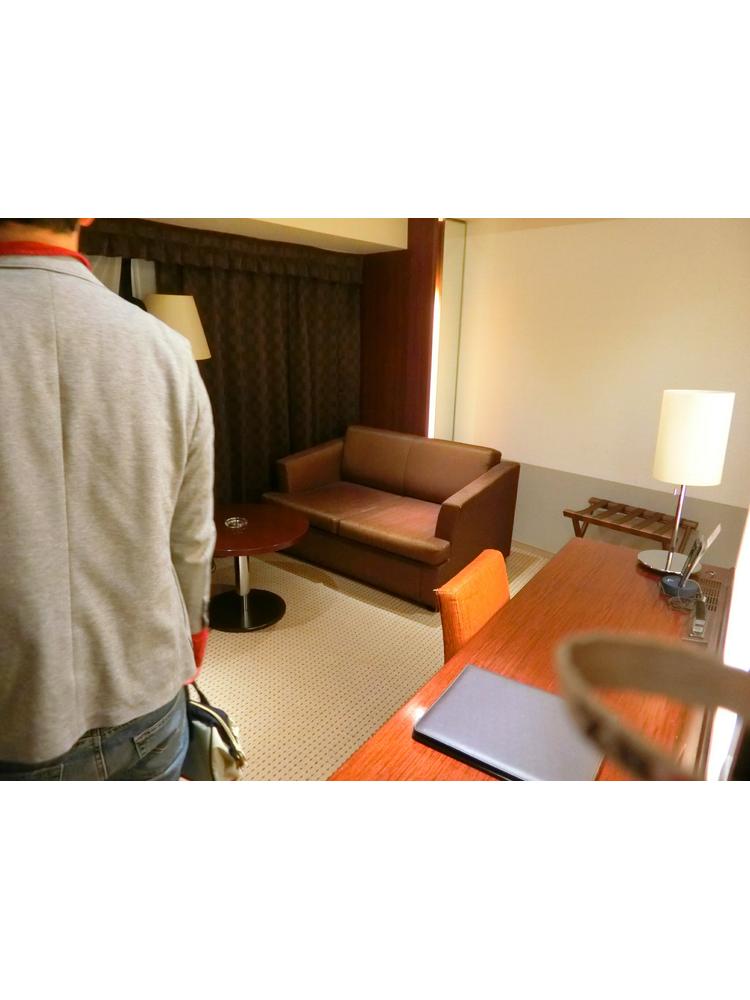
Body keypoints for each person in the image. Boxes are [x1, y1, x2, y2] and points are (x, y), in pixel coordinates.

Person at [0, 219, 216, 780]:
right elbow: (192, 537)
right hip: (148, 690)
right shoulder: (169, 352)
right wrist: (192, 639)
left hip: (16, 713)